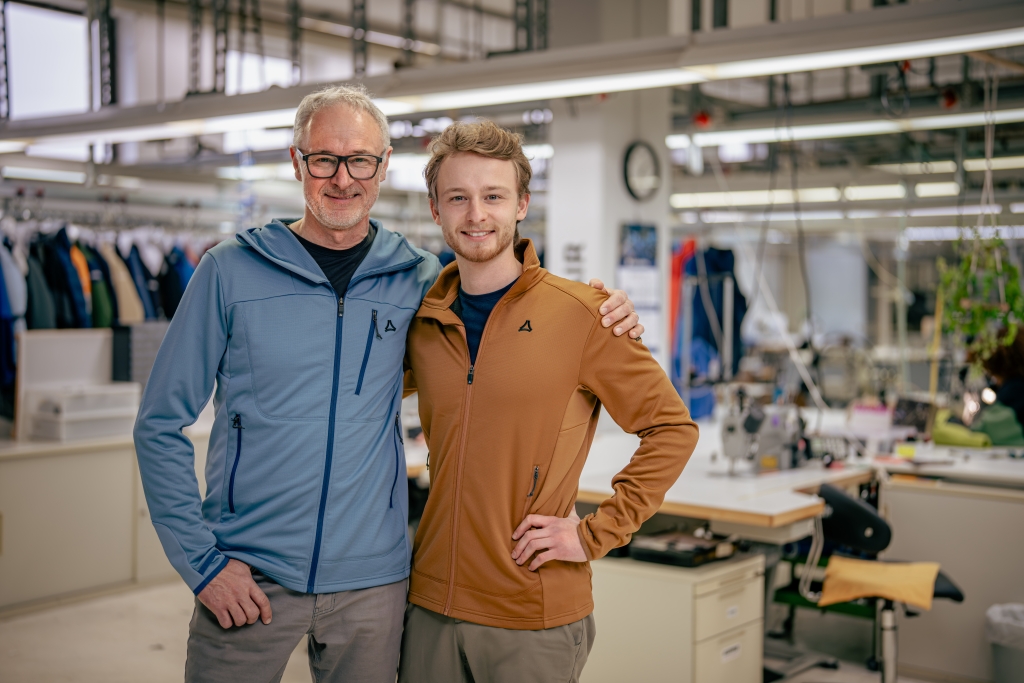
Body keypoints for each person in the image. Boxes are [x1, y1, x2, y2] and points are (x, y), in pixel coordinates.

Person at [133, 84, 642, 683]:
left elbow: (504, 304)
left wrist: (598, 308)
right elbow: (159, 424)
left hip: (374, 585)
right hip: (248, 574)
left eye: (360, 161)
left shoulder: (422, 280)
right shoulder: (229, 271)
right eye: (324, 159)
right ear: (296, 161)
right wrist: (203, 563)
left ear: (383, 166)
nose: (342, 178)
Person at [398, 120, 699, 682]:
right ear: (436, 210)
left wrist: (595, 533)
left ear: (522, 205)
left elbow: (671, 429)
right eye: (458, 198)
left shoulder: (584, 314)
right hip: (431, 604)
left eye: (493, 196)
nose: (476, 214)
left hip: (530, 612)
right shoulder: (421, 322)